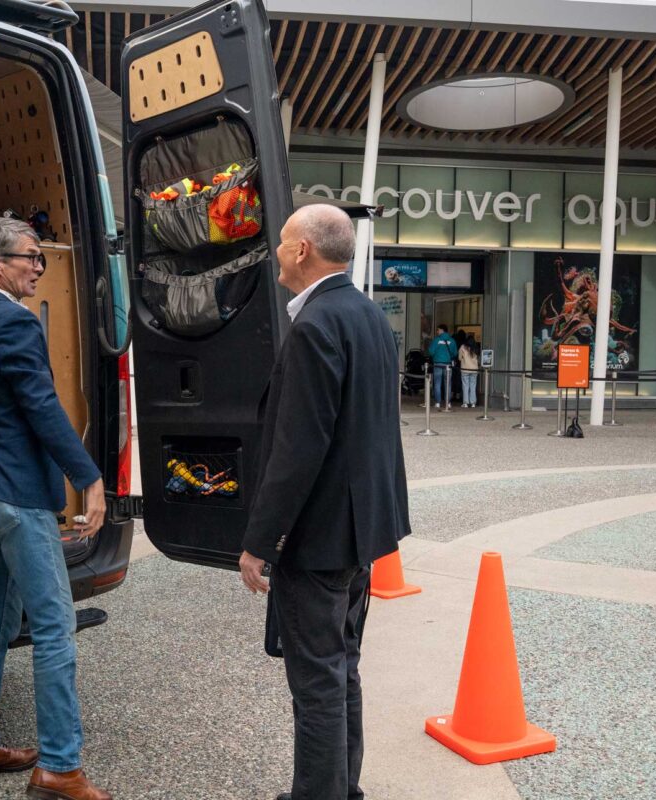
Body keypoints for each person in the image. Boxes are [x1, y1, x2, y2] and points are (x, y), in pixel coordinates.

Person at [238, 204, 411, 800]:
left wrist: (259, 542)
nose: (277, 251)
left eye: (283, 240)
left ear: (303, 250)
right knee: (342, 668)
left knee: (315, 682)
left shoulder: (314, 325)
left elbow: (297, 450)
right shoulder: (367, 314)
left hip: (317, 539)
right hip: (361, 531)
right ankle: (342, 789)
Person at [0, 217, 111, 800]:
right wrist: (89, 476)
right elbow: (41, 405)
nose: (39, 267)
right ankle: (60, 766)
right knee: (54, 628)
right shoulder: (15, 321)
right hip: (15, 491)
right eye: (30, 257)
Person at [428, 324, 458, 408]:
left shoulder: (436, 340)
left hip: (438, 363)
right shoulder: (452, 340)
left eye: (438, 330)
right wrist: (449, 357)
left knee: (437, 383)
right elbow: (455, 353)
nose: (437, 332)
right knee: (448, 383)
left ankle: (438, 402)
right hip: (448, 364)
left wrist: (435, 356)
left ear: (442, 330)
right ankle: (448, 403)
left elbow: (430, 351)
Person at [458, 333, 481, 408]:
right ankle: (473, 403)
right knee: (473, 386)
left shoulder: (463, 347)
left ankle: (465, 403)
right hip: (474, 370)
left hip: (465, 369)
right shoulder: (476, 347)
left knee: (465, 386)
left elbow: (459, 358)